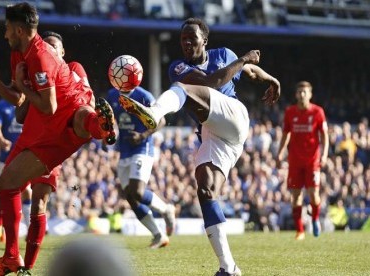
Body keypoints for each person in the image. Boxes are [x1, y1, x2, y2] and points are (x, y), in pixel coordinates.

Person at [0, 3, 116, 276]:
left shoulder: (42, 57)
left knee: (80, 118)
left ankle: (101, 128)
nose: (4, 34)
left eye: (6, 29)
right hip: (38, 128)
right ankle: (1, 257)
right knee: (6, 186)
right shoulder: (19, 55)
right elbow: (22, 105)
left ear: (18, 29)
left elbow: (50, 106)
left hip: (61, 118)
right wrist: (2, 86)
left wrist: (24, 85)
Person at [118, 17, 280, 276]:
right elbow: (213, 82)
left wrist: (271, 79)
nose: (186, 43)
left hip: (234, 116)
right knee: (205, 189)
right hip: (213, 133)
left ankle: (155, 112)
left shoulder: (223, 54)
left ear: (204, 40)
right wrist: (244, 59)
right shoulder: (178, 67)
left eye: (192, 38)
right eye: (183, 39)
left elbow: (251, 72)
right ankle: (229, 267)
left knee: (183, 89)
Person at [107, 86, 176, 249]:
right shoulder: (112, 95)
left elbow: (162, 120)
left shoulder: (144, 95)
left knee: (137, 191)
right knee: (130, 197)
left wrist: (143, 135)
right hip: (124, 150)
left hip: (142, 148)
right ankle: (159, 235)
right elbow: (110, 119)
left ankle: (166, 209)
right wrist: (106, 136)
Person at [277, 81, 329, 240]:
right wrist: (279, 153)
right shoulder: (290, 112)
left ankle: (314, 219)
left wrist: (325, 154)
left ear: (310, 94)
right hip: (295, 161)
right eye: (299, 92)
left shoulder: (318, 112)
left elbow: (324, 136)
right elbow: (286, 135)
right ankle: (300, 231)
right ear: (296, 94)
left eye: (305, 92)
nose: (302, 95)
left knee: (314, 194)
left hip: (312, 161)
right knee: (296, 196)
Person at [0, 98, 32, 241]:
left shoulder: (29, 102)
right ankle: (4, 232)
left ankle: (29, 229)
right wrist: (1, 140)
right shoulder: (2, 105)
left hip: (23, 157)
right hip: (5, 158)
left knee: (27, 191)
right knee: (1, 195)